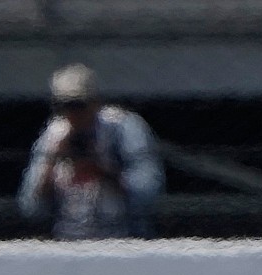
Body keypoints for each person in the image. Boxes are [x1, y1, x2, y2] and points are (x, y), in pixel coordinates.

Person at [18, 64, 163, 241]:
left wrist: (103, 171)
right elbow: (30, 207)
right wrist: (52, 161)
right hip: (67, 238)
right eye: (64, 105)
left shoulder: (122, 128)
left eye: (79, 105)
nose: (73, 113)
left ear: (95, 102)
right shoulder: (54, 135)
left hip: (121, 238)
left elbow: (148, 193)